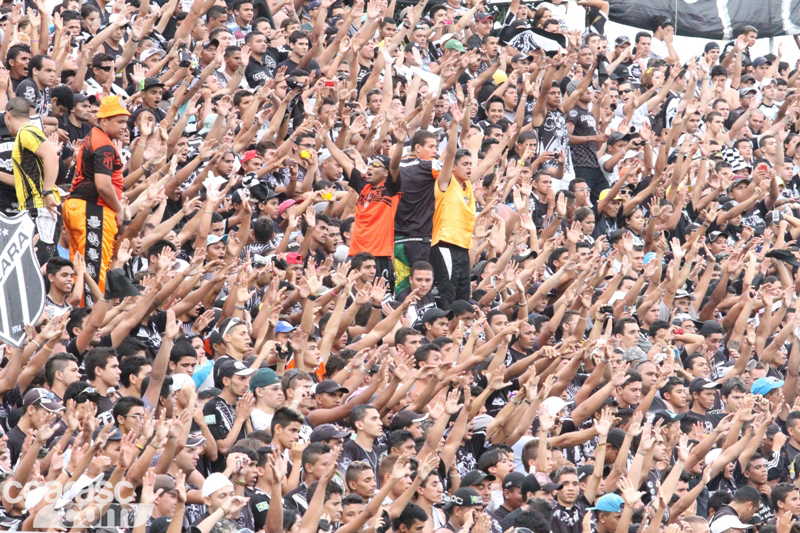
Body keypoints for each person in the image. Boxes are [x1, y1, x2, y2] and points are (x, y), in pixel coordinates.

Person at [63, 95, 129, 295]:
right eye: (119, 121)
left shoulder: (94, 136)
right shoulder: (105, 145)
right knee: (95, 270)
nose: (124, 127)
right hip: (93, 209)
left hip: (78, 206)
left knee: (80, 268)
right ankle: (90, 318)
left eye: (125, 122)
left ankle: (81, 314)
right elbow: (103, 185)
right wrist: (118, 208)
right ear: (104, 120)